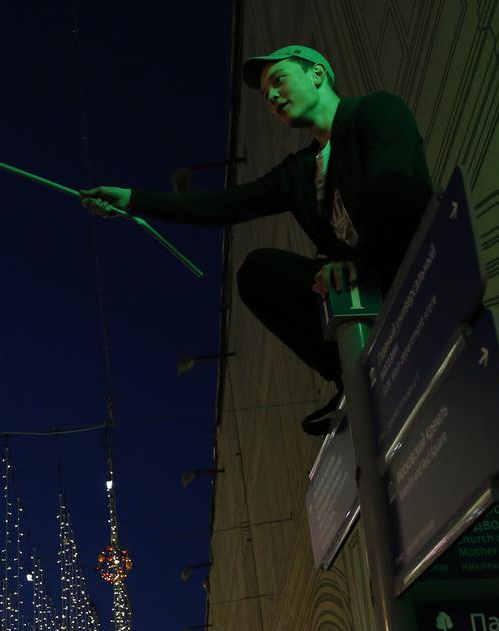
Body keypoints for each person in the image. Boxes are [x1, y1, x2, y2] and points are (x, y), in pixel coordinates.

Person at [81, 45, 434, 435]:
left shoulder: (375, 112)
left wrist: (359, 260)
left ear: (317, 74)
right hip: (359, 287)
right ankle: (347, 376)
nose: (273, 97)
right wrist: (134, 200)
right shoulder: (299, 172)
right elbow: (225, 205)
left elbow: (395, 190)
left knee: (383, 199)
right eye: (266, 96)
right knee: (259, 271)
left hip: (410, 268)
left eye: (279, 81)